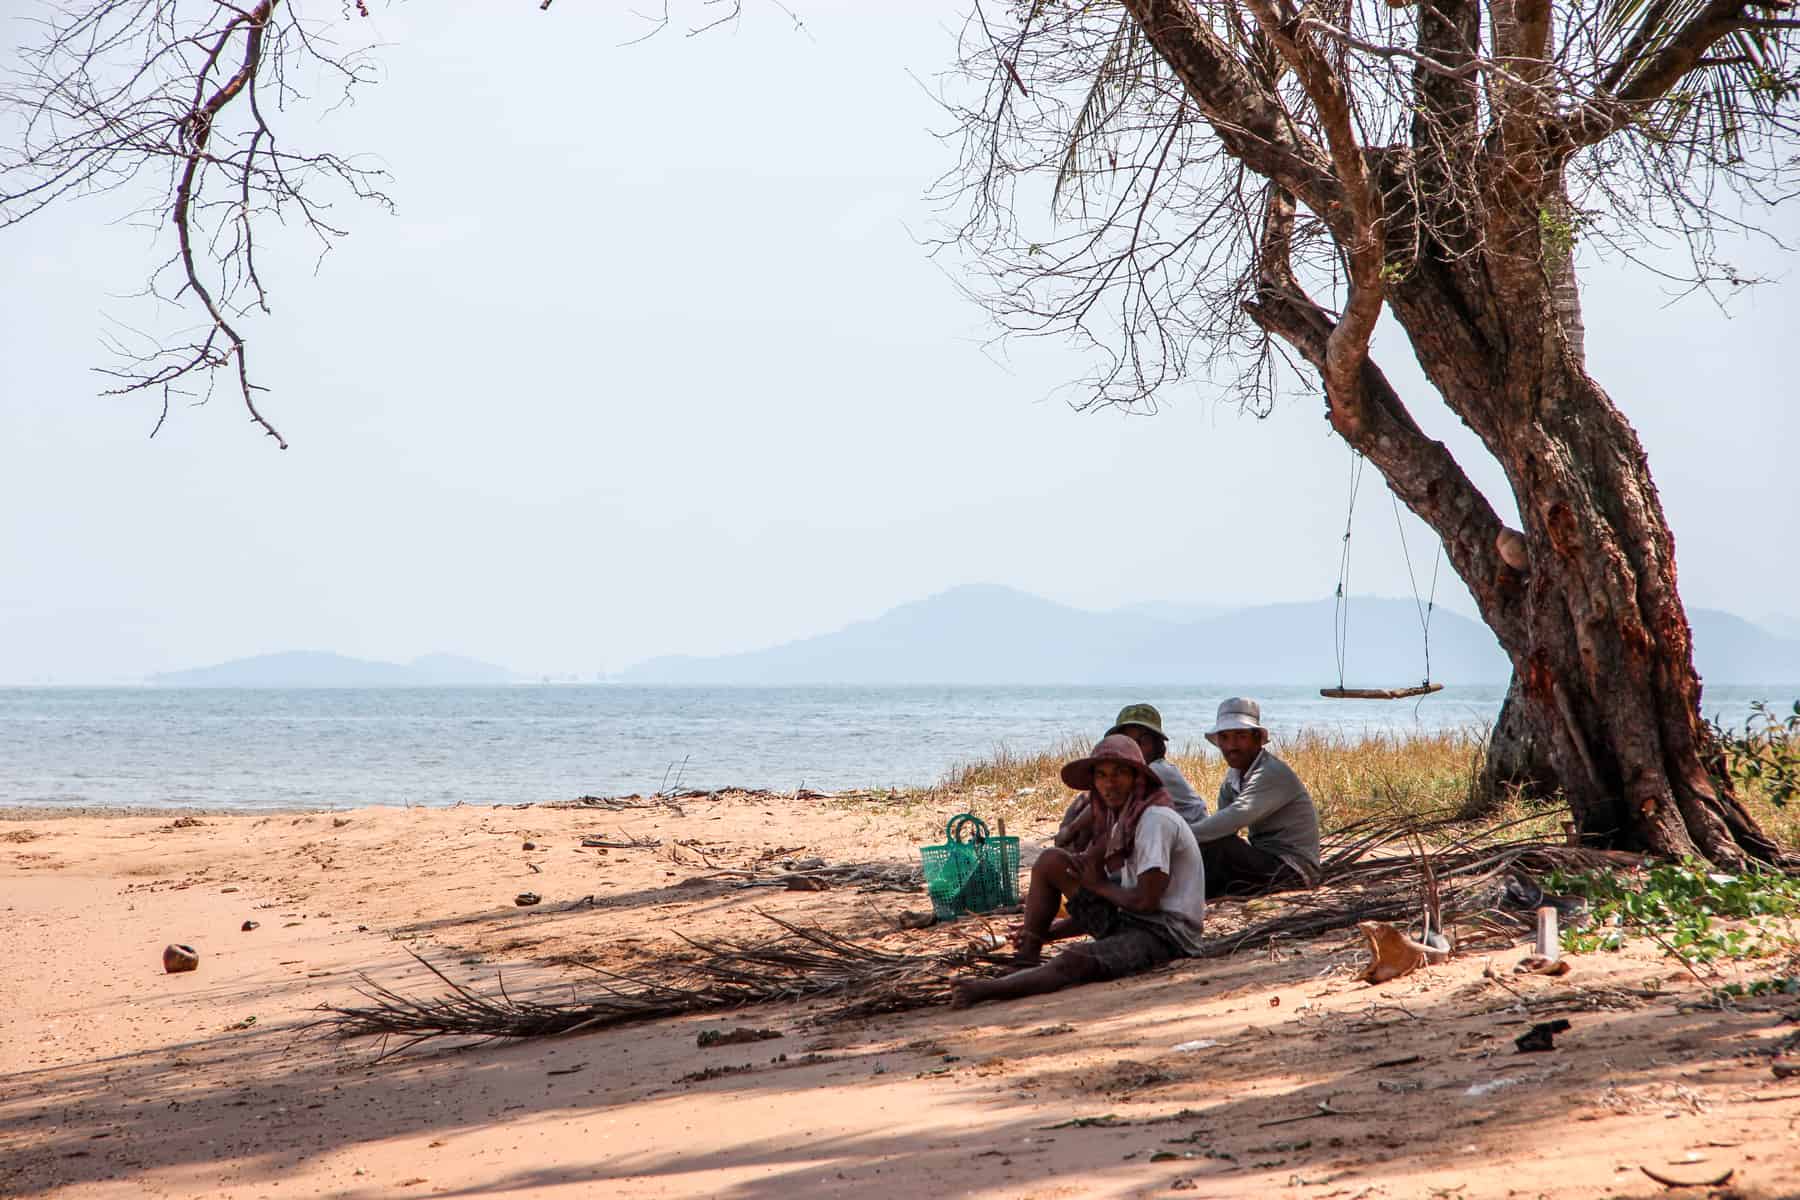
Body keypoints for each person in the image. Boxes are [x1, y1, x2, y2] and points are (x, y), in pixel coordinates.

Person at [949, 734, 1206, 1009]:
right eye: (1103, 775)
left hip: (1167, 936)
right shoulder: (1123, 820)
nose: (1110, 784)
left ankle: (985, 991)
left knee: (1075, 960)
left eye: (1120, 773)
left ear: (1136, 778)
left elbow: (1145, 902)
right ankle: (1026, 957)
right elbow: (1121, 907)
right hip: (1134, 920)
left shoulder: (1155, 820)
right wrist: (1044, 933)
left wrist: (1097, 886)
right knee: (1052, 861)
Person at [1186, 697, 1320, 898]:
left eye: (1240, 736)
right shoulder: (1233, 779)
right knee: (1210, 848)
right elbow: (1222, 827)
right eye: (1225, 737)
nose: (1231, 746)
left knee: (1216, 846)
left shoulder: (1270, 773)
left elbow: (1232, 819)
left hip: (1294, 871)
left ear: (1257, 738)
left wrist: (1177, 835)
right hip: (1266, 863)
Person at [1055, 703, 1206, 850]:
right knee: (1084, 800)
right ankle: (1073, 853)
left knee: (1094, 806)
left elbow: (1101, 801)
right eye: (1128, 741)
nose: (1135, 748)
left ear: (1156, 745)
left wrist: (1070, 830)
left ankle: (1073, 852)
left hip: (1197, 841)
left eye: (1143, 742)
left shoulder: (1158, 770)